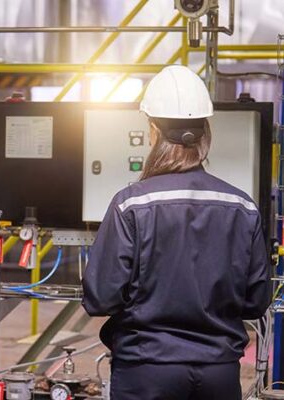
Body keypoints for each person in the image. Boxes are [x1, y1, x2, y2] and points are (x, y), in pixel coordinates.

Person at [82, 65, 271, 400]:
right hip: (219, 373)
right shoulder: (243, 207)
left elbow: (100, 297)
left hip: (145, 369)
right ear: (205, 133)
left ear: (153, 132)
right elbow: (256, 301)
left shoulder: (131, 205)